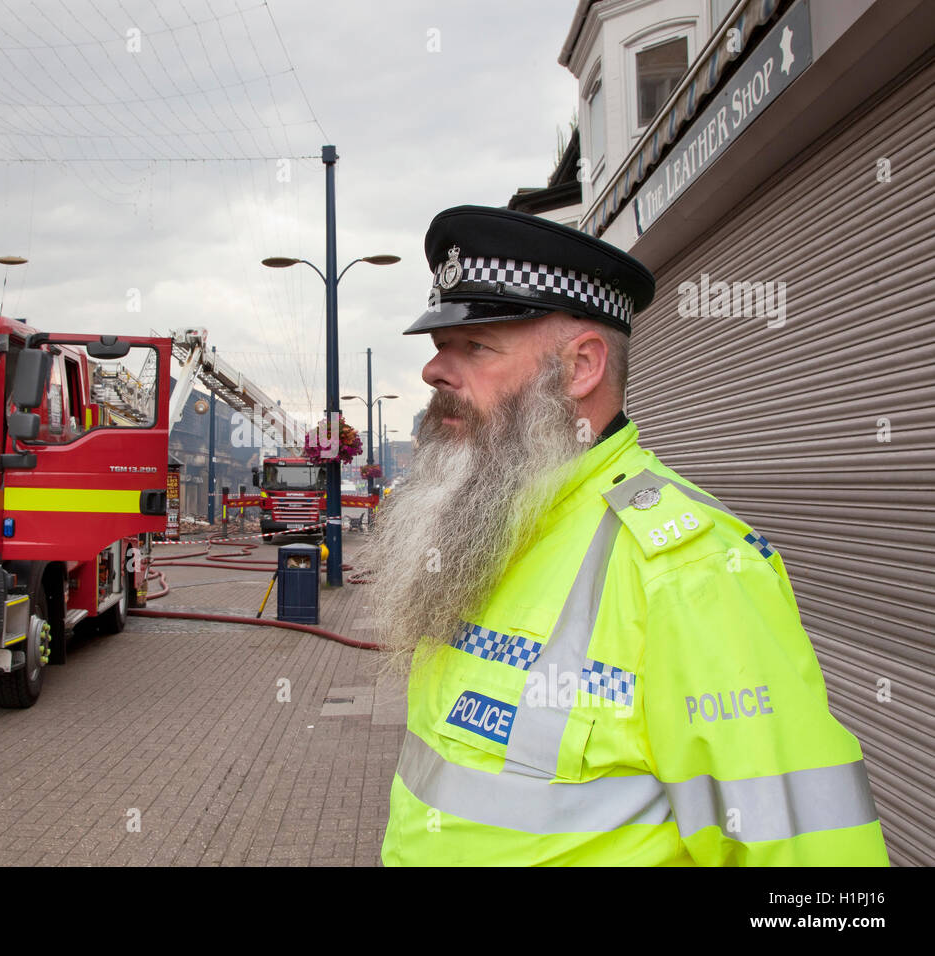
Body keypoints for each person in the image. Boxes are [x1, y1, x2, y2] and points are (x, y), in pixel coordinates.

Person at [372, 206, 888, 866]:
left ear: (581, 367)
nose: (434, 373)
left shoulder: (690, 572)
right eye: (439, 347)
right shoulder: (483, 529)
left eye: (475, 346)